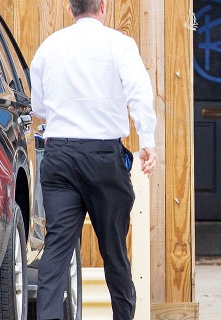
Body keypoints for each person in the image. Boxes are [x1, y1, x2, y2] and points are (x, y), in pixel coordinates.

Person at [30, 0, 157, 319]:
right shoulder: (120, 44)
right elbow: (139, 93)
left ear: (71, 10)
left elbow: (39, 107)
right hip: (103, 156)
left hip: (59, 155)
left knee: (57, 247)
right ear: (103, 7)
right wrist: (147, 141)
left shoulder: (49, 46)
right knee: (114, 248)